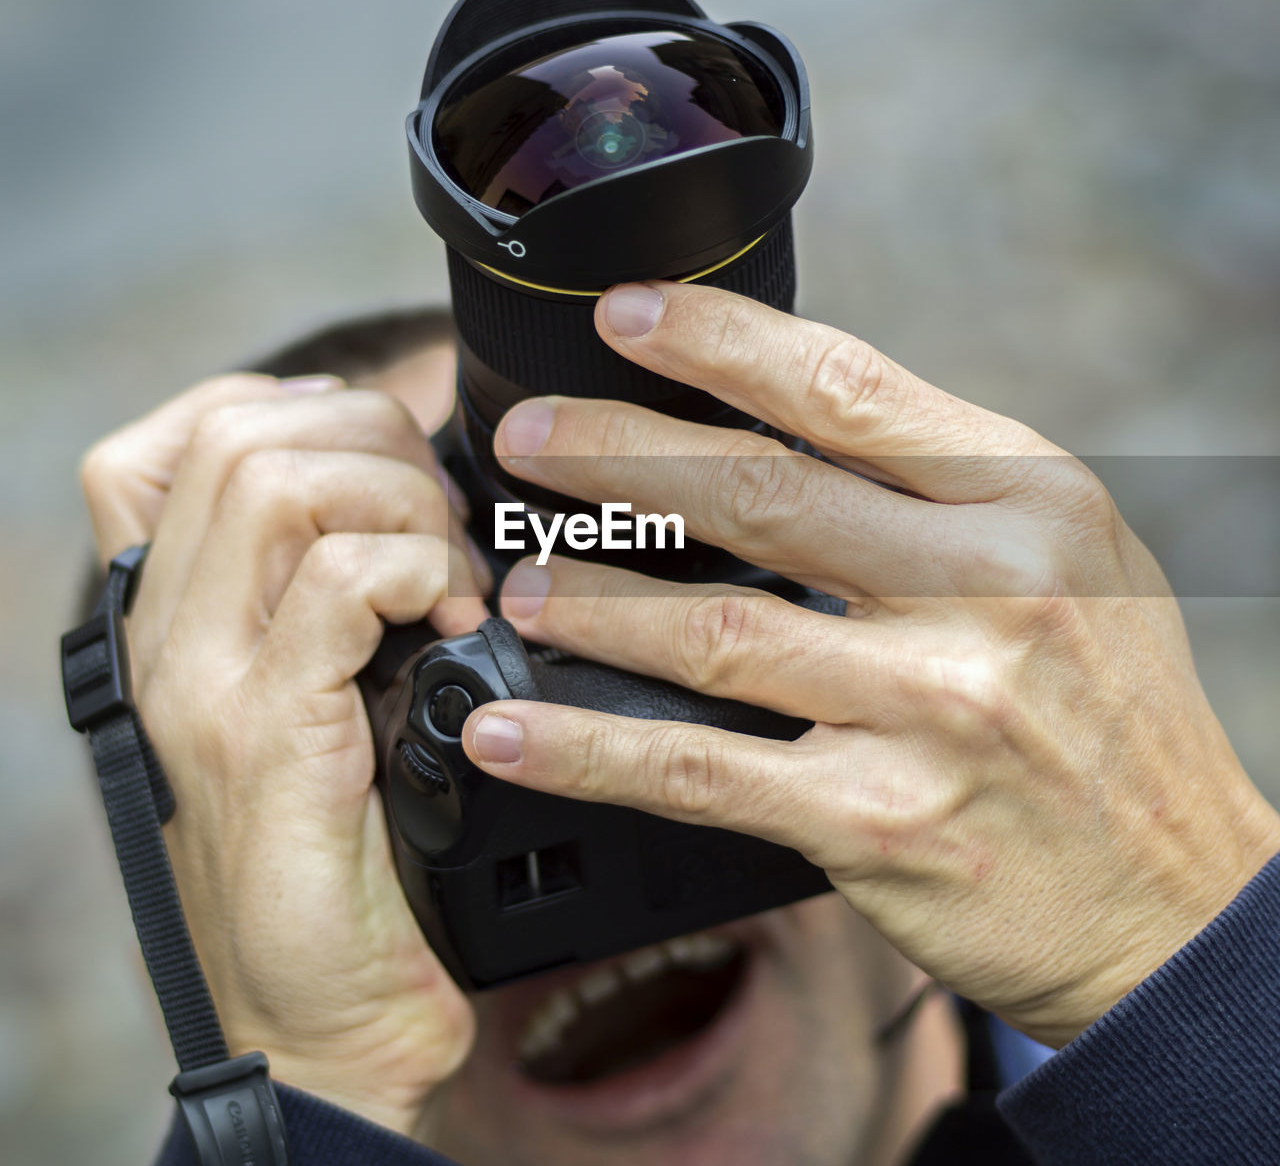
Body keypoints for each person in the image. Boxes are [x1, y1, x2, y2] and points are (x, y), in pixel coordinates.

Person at [77, 282, 1280, 1166]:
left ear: (918, 668)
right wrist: (302, 1094)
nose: (567, 766)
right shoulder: (302, 1058)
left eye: (646, 609)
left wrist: (1172, 957)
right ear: (218, 919)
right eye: (402, 709)